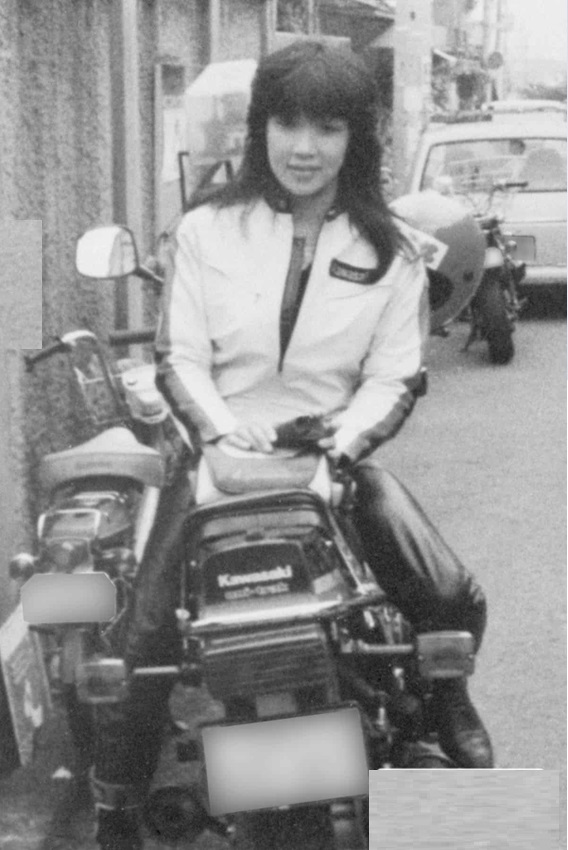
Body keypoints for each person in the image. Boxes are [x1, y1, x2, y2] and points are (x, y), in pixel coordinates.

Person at [92, 41, 493, 850]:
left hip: (332, 462)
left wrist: (344, 445)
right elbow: (179, 357)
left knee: (452, 597)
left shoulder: (393, 252)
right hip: (216, 466)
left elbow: (395, 374)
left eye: (328, 127)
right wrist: (218, 429)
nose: (304, 147)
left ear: (356, 140)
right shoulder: (205, 231)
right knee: (139, 642)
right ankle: (117, 803)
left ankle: (443, 704)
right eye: (287, 124)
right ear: (261, 129)